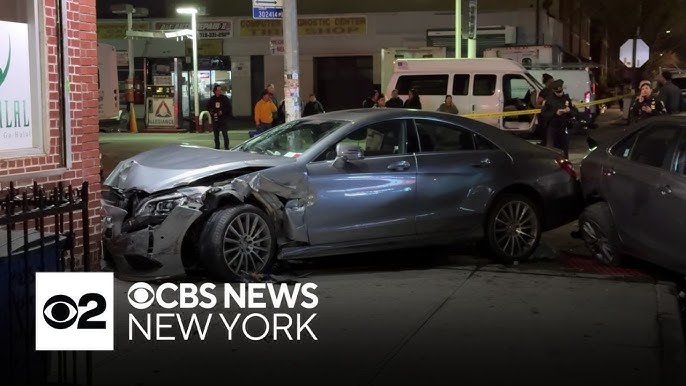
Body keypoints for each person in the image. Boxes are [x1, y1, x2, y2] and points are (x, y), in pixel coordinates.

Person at [540, 80, 577, 159]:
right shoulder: (549, 100)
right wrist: (555, 113)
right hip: (553, 128)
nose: (560, 93)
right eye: (557, 92)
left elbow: (575, 112)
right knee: (551, 149)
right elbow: (543, 114)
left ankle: (566, 165)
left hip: (564, 127)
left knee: (564, 149)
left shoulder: (566, 98)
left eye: (561, 91)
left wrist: (569, 111)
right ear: (553, 91)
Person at [207, 84, 232, 150]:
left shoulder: (224, 98)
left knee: (225, 134)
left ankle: (226, 147)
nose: (219, 91)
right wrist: (211, 111)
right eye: (218, 90)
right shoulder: (212, 99)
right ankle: (217, 146)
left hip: (223, 119)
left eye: (220, 90)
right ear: (215, 91)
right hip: (215, 119)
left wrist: (223, 111)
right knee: (216, 134)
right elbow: (208, 107)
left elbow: (229, 107)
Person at [536, 73, 555, 145]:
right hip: (544, 117)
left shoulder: (553, 91)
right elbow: (537, 104)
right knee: (545, 133)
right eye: (551, 82)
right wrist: (546, 106)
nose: (553, 83)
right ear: (546, 83)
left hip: (551, 116)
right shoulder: (544, 92)